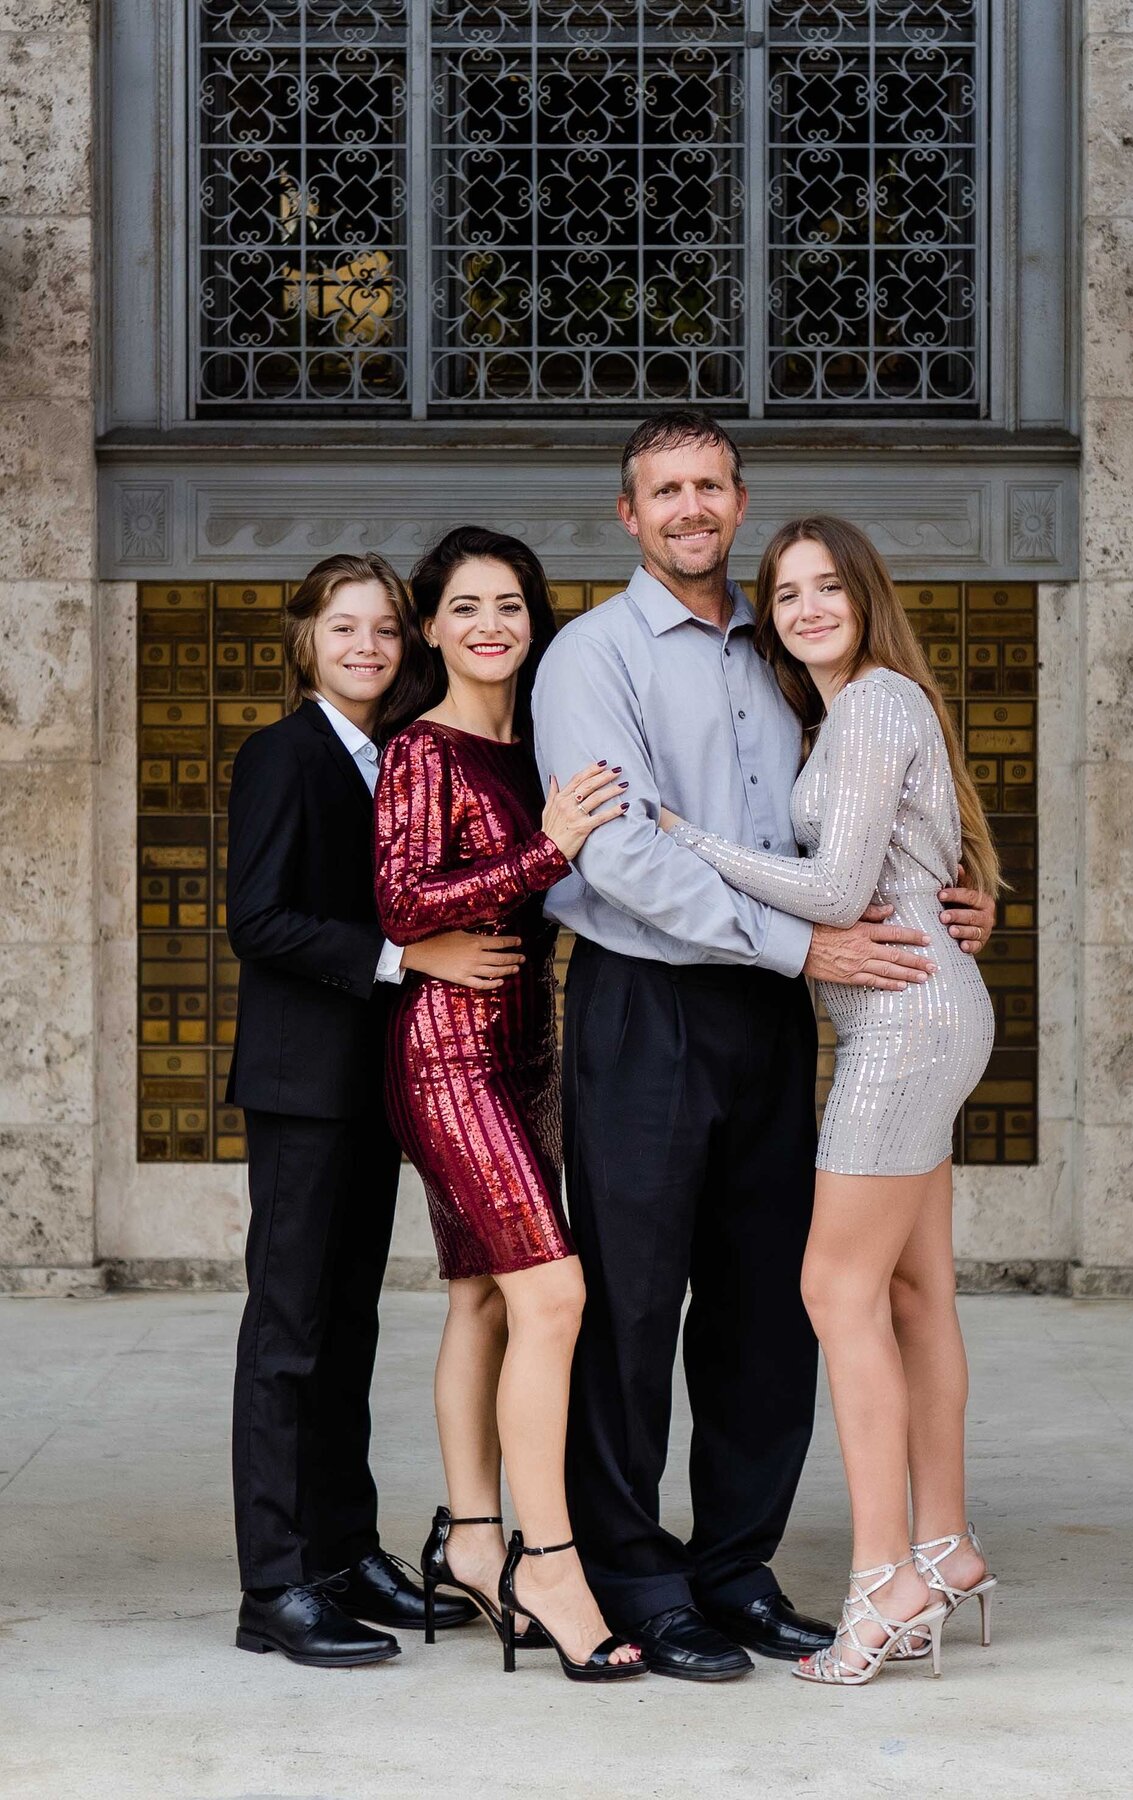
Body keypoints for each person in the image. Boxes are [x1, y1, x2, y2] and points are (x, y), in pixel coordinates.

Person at [530, 409, 996, 1682]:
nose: (690, 506)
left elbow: (887, 794)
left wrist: (960, 892)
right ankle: (639, 1576)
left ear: (739, 500)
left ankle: (736, 1567)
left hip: (777, 1017)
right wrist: (802, 948)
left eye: (710, 485)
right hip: (646, 1003)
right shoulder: (592, 656)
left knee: (763, 1308)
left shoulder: (789, 653)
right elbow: (619, 852)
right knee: (633, 1304)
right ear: (630, 516)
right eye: (664, 489)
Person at [664, 516, 999, 1686]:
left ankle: (882, 1584)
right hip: (932, 1006)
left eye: (825, 586)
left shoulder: (867, 706)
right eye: (785, 591)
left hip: (903, 1023)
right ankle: (945, 1545)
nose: (806, 606)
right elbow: (926, 871)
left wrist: (683, 837)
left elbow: (838, 886)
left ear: (863, 593)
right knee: (915, 1288)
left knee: (832, 1287)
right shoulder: (874, 707)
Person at [227, 551, 520, 1668]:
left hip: (370, 1088)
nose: (366, 647)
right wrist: (407, 955)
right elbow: (257, 921)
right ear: (306, 639)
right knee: (289, 1336)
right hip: (301, 1090)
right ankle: (276, 1585)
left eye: (385, 630)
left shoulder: (390, 758)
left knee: (349, 1329)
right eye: (343, 628)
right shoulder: (282, 756)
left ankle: (345, 1554)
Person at [373, 526, 644, 1683]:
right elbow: (400, 901)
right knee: (556, 1296)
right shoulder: (421, 751)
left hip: (529, 1047)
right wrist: (547, 850)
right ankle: (554, 1562)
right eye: (467, 607)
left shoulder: (536, 746)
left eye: (513, 607)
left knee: (484, 1296)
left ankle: (474, 1539)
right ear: (430, 627)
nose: (492, 625)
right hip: (446, 1058)